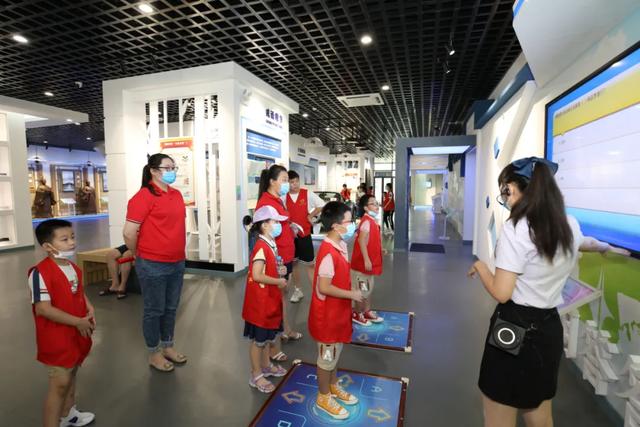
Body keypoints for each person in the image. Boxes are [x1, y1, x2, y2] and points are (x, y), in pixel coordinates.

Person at [467, 157, 630, 427]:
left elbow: (502, 292)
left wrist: (482, 268)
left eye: (505, 191)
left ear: (511, 188)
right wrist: (605, 247)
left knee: (498, 410)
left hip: (512, 327)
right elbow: (585, 243)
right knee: (540, 415)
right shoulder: (567, 223)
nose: (505, 198)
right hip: (548, 329)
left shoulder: (516, 228)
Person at [123, 153, 187, 372]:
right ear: (153, 170)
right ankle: (154, 352)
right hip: (152, 263)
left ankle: (168, 346)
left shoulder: (176, 195)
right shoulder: (143, 197)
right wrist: (137, 253)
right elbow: (129, 232)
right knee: (154, 310)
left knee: (171, 308)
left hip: (177, 261)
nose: (172, 171)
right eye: (167, 168)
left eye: (173, 167)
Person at [28, 219, 95, 427]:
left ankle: (68, 414)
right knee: (60, 384)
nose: (72, 242)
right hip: (57, 337)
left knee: (72, 373)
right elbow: (43, 308)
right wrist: (77, 321)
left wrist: (89, 306)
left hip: (76, 334)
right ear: (48, 246)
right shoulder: (40, 273)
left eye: (72, 237)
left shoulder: (72, 267)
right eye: (64, 239)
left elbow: (78, 291)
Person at [308, 201, 363, 419]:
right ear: (335, 225)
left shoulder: (340, 245)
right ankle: (323, 396)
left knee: (334, 355)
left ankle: (332, 385)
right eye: (349, 222)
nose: (353, 225)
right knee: (326, 358)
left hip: (337, 314)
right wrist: (351, 295)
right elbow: (324, 287)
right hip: (327, 319)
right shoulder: (329, 252)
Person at [242, 206, 289, 393]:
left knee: (268, 338)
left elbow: (269, 268)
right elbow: (257, 274)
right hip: (260, 304)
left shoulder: (270, 244)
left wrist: (279, 270)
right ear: (264, 225)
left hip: (269, 300)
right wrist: (278, 280)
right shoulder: (261, 247)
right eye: (275, 222)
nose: (278, 225)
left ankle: (266, 365)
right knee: (258, 341)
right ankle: (256, 374)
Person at [256, 165, 303, 347]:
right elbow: (266, 233)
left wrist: (290, 227)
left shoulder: (277, 200)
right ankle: (275, 340)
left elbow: (281, 224)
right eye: (284, 180)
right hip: (278, 256)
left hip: (286, 253)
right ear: (272, 181)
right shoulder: (266, 203)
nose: (287, 184)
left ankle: (284, 329)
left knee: (282, 294)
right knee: (276, 297)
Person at [284, 170, 325, 303]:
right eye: (291, 182)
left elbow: (321, 205)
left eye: (296, 181)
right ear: (287, 183)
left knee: (310, 264)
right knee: (294, 263)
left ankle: (316, 292)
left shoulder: (307, 193)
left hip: (305, 234)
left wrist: (310, 216)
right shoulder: (284, 197)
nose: (294, 184)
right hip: (290, 236)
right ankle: (298, 290)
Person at [351, 194, 385, 326]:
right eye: (373, 203)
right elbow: (361, 240)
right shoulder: (366, 222)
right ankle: (357, 313)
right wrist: (366, 259)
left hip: (369, 266)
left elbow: (371, 240)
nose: (376, 206)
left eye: (377, 203)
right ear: (365, 208)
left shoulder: (372, 221)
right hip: (362, 266)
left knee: (368, 289)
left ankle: (367, 311)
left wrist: (381, 249)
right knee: (362, 290)